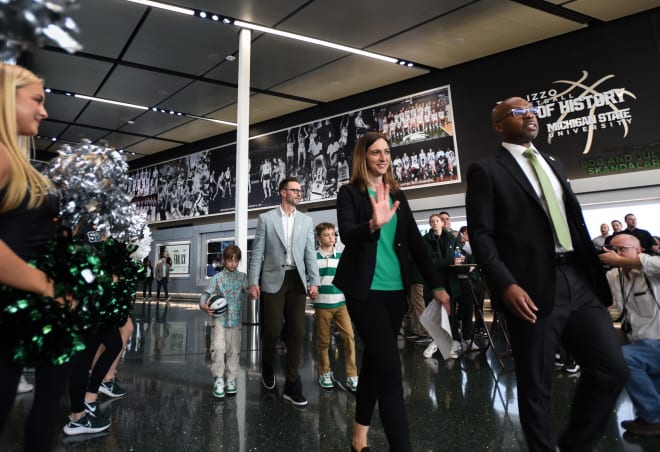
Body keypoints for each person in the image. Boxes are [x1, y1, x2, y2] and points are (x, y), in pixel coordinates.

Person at [465, 97, 628, 451]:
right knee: (536, 384)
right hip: (531, 287)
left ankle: (574, 445)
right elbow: (481, 234)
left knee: (611, 368)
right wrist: (505, 283)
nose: (529, 116)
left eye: (532, 111)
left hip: (578, 279)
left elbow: (568, 219)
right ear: (498, 126)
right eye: (518, 112)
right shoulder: (487, 169)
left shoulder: (553, 162)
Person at [334, 131, 450, 452]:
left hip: (395, 293)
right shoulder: (349, 193)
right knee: (390, 372)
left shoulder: (398, 194)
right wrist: (373, 224)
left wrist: (437, 285)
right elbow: (346, 233)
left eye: (387, 152)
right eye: (375, 152)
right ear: (363, 157)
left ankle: (359, 435)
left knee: (375, 361)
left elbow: (415, 242)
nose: (383, 157)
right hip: (364, 293)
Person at [0, 62, 71, 452]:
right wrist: (46, 284)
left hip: (26, 317)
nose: (43, 111)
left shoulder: (17, 160)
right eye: (36, 101)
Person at [248, 177, 320, 407]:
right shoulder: (266, 219)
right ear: (282, 192)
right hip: (271, 279)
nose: (299, 193)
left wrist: (314, 281)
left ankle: (292, 382)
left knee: (298, 331)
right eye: (295, 190)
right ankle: (267, 365)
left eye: (300, 190)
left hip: (296, 280)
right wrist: (253, 281)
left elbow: (310, 252)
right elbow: (257, 252)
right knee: (272, 329)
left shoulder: (306, 221)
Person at [599, 235, 660, 436]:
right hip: (642, 342)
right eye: (611, 249)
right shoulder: (612, 277)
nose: (616, 254)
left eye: (622, 248)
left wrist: (620, 261)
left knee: (620, 358)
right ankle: (650, 416)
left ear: (639, 250)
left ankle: (653, 418)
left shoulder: (652, 270)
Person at [313, 222, 358, 392]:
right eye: (327, 235)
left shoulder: (340, 255)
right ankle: (324, 372)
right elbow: (311, 280)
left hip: (341, 303)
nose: (332, 238)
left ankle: (352, 374)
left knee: (349, 337)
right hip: (322, 304)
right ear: (318, 238)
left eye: (333, 234)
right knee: (323, 341)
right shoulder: (313, 257)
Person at [200, 245, 248, 398]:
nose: (232, 264)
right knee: (219, 348)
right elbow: (205, 294)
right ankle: (219, 379)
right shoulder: (217, 278)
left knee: (234, 350)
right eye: (229, 260)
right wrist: (202, 305)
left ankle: (231, 379)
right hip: (220, 320)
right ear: (223, 260)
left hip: (235, 321)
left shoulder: (242, 277)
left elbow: (249, 291)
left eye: (235, 261)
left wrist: (254, 290)